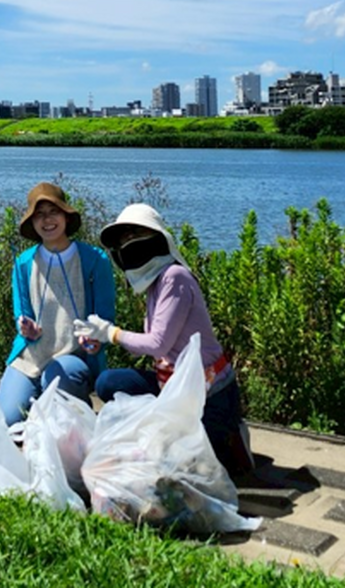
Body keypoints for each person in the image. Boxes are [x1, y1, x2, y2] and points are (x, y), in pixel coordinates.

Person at [72, 203, 254, 476]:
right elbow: (147, 346)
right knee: (108, 383)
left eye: (135, 235)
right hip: (172, 384)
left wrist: (112, 333)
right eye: (123, 239)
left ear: (156, 238)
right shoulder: (154, 284)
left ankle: (229, 434)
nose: (128, 244)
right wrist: (102, 338)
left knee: (189, 466)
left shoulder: (175, 277)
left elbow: (157, 344)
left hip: (208, 393)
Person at [0, 182, 116, 426]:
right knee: (7, 418)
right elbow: (22, 315)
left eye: (53, 212)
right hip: (31, 355)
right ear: (32, 222)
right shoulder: (23, 263)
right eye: (39, 215)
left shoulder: (95, 260)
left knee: (64, 378)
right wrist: (27, 329)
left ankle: (72, 399)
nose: (47, 220)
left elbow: (105, 318)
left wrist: (94, 341)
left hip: (74, 355)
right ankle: (43, 397)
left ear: (65, 216)